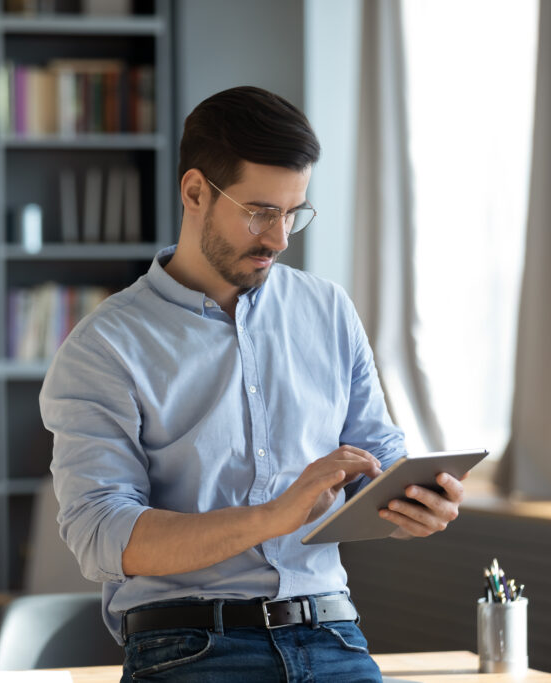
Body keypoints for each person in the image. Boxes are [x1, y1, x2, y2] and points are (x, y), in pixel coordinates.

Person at [39, 86, 465, 683]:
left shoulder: (329, 310)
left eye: (294, 212)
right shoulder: (104, 346)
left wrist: (415, 502)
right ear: (195, 192)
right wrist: (271, 516)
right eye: (261, 211)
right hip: (187, 644)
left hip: (332, 630)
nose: (281, 237)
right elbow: (101, 534)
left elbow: (378, 456)